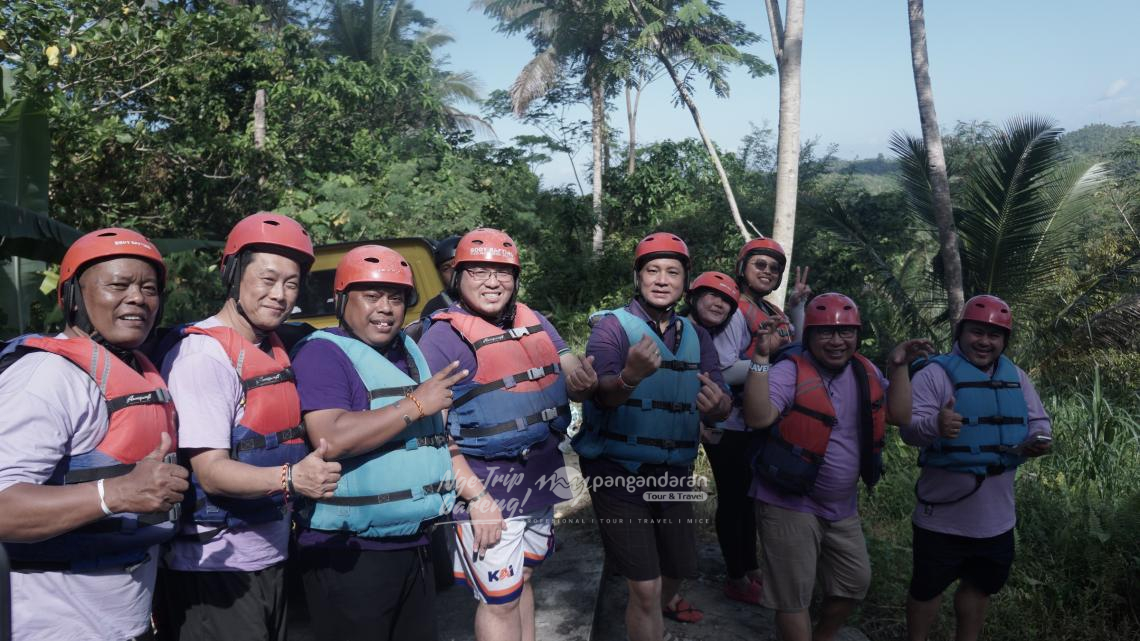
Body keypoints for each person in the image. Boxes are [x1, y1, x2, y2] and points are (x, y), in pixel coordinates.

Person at [157, 212, 342, 641]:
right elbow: (211, 472)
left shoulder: (274, 347)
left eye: (291, 284)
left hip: (268, 556)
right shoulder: (203, 358)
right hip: (214, 569)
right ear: (234, 275)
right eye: (267, 279)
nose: (280, 295)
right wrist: (292, 478)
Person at [0, 228, 189, 640]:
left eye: (149, 288)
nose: (138, 297)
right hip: (51, 628)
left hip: (126, 623)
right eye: (118, 285)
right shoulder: (46, 377)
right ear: (71, 298)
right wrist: (115, 494)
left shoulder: (141, 371)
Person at [417, 228, 597, 641]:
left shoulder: (531, 319)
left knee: (524, 579)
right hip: (488, 484)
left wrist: (584, 381)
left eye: (503, 272)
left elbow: (569, 372)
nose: (493, 282)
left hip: (539, 475)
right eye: (478, 271)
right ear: (457, 277)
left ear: (516, 280)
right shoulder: (442, 339)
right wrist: (476, 498)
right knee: (499, 601)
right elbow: (432, 435)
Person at [289, 245, 474, 641]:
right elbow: (330, 436)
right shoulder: (322, 354)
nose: (386, 308)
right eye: (371, 296)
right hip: (348, 553)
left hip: (414, 542)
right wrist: (415, 404)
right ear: (342, 300)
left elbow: (436, 438)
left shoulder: (407, 351)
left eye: (396, 297)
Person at [743, 293, 933, 641]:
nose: (836, 341)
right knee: (793, 598)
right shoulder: (791, 370)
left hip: (841, 507)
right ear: (810, 335)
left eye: (845, 332)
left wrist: (899, 365)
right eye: (825, 333)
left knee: (852, 584)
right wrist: (760, 357)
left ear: (857, 335)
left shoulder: (865, 370)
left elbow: (900, 415)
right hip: (787, 501)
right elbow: (757, 417)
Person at [575, 232, 732, 640]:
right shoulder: (612, 328)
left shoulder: (697, 336)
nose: (662, 280)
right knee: (645, 588)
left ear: (685, 282)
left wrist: (718, 407)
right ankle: (647, 619)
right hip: (617, 470)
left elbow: (722, 400)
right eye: (653, 270)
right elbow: (603, 394)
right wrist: (629, 376)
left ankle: (652, 615)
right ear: (638, 277)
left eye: (672, 272)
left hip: (673, 471)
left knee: (678, 568)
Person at [901, 295, 1052, 641]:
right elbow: (910, 430)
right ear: (961, 332)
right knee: (926, 591)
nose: (984, 341)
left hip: (997, 520)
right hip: (941, 517)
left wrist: (1039, 440)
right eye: (976, 332)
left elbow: (1039, 421)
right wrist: (936, 426)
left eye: (994, 335)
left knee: (979, 589)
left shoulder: (1017, 377)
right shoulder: (934, 374)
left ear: (1004, 340)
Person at [682, 271, 764, 605]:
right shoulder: (677, 329)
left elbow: (718, 377)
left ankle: (748, 567)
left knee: (744, 495)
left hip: (731, 421)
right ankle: (736, 575)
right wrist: (768, 365)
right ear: (693, 297)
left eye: (726, 301)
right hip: (703, 426)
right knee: (732, 496)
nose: (719, 304)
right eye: (712, 296)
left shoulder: (711, 333)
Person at [735, 238, 811, 357]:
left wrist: (797, 307)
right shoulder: (733, 311)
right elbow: (725, 367)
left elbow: (799, 348)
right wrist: (777, 368)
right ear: (742, 268)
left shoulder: (773, 310)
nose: (767, 271)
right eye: (760, 265)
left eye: (774, 268)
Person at [419, 234, 462, 318]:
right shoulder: (434, 308)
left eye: (459, 264)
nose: (454, 272)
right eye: (446, 268)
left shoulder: (488, 298)